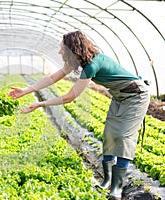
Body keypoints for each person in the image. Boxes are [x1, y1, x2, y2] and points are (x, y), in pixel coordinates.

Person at [8, 31, 150, 200]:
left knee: (122, 137)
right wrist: (26, 90)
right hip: (119, 96)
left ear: (73, 49)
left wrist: (41, 103)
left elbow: (69, 97)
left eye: (62, 49)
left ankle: (117, 188)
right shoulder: (79, 62)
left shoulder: (92, 64)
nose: (60, 52)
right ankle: (107, 181)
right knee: (109, 136)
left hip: (136, 95)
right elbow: (53, 78)